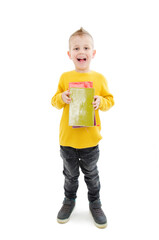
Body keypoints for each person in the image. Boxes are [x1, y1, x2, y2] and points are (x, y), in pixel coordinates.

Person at [51, 27, 114, 228]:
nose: (81, 51)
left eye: (86, 48)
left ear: (93, 53)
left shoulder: (99, 78)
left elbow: (110, 101)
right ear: (70, 54)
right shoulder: (64, 78)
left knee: (92, 175)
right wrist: (62, 97)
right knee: (70, 175)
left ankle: (95, 203)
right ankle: (69, 200)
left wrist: (99, 102)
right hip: (68, 140)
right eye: (76, 48)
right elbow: (54, 102)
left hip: (90, 141)